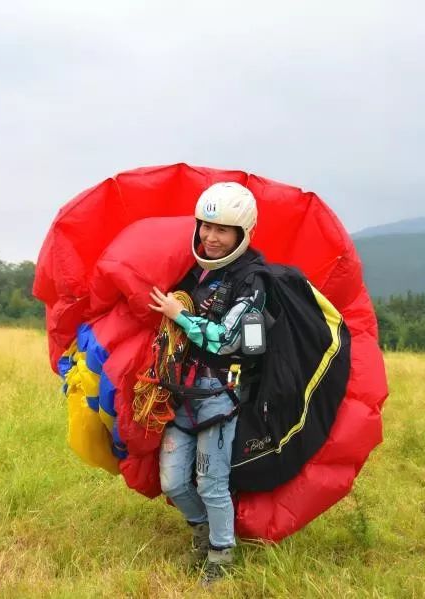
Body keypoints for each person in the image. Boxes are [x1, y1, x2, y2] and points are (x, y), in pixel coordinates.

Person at [148, 182, 267, 583]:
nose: (210, 237)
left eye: (222, 230)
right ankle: (203, 532)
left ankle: (221, 558)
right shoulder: (197, 271)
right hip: (184, 391)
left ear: (241, 234)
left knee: (212, 482)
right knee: (173, 480)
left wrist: (178, 316)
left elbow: (230, 339)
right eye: (206, 227)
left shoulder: (252, 281)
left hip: (221, 394)